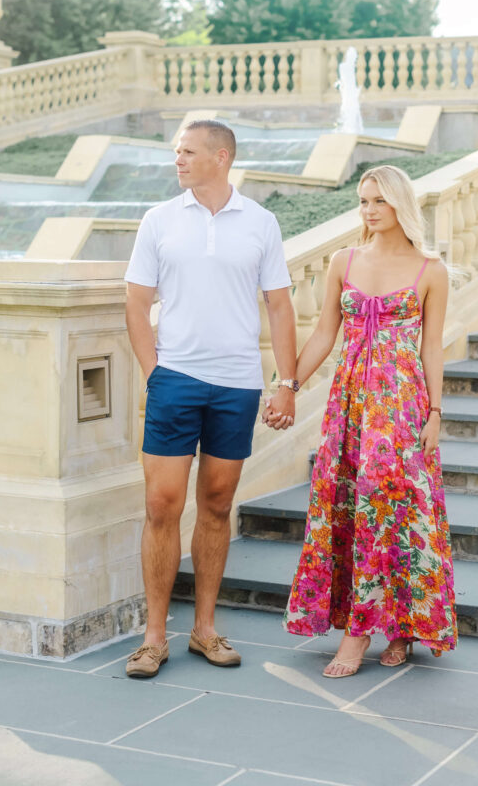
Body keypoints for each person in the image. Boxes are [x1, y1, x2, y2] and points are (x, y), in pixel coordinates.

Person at [124, 119, 297, 678]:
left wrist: (286, 383)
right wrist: (156, 373)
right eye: (176, 151)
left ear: (221, 157)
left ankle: (204, 628)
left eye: (188, 151)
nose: (178, 160)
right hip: (175, 379)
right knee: (161, 505)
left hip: (238, 384)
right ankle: (154, 637)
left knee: (218, 505)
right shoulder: (158, 220)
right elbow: (136, 303)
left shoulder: (260, 223)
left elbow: (279, 306)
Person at [280, 164, 457, 676]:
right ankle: (365, 623)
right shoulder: (344, 261)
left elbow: (432, 349)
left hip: (401, 410)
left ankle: (383, 631)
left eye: (379, 200)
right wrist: (286, 384)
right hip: (351, 407)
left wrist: (435, 414)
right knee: (351, 509)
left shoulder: (431, 271)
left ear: (401, 205)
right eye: (363, 201)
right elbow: (322, 335)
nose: (369, 210)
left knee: (395, 512)